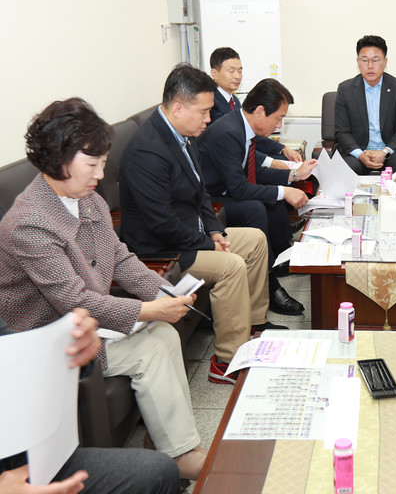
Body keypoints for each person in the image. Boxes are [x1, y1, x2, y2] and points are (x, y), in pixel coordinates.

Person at [0, 97, 208, 480]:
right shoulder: (29, 223)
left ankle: (172, 445)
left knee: (164, 334)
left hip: (87, 326)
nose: (100, 174)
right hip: (50, 342)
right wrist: (149, 311)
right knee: (151, 347)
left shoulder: (88, 200)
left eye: (103, 162)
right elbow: (73, 301)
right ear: (59, 158)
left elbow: (122, 260)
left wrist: (164, 293)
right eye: (92, 164)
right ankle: (179, 454)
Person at [119, 63, 280, 386]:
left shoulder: (184, 134)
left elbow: (201, 192)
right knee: (231, 265)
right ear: (179, 108)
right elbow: (161, 224)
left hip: (191, 234)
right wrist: (208, 243)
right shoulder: (148, 150)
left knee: (254, 239)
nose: (209, 118)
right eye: (204, 111)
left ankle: (252, 326)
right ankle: (227, 361)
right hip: (164, 247)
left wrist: (215, 230)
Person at [0, 309, 181, 493]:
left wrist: (74, 349)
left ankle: (180, 450)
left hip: (20, 460)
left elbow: (16, 363)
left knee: (159, 471)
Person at [198, 78, 318, 316]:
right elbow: (239, 188)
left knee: (271, 198)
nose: (280, 125)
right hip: (211, 199)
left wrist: (293, 176)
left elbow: (253, 171)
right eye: (279, 118)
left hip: (227, 190)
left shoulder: (242, 127)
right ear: (260, 111)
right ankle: (269, 284)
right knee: (255, 207)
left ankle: (277, 260)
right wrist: (285, 191)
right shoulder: (228, 132)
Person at [335, 34, 396, 176]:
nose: (370, 66)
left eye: (376, 60)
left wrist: (384, 152)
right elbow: (342, 132)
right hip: (359, 153)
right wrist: (360, 155)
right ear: (358, 62)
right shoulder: (345, 90)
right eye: (365, 60)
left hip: (390, 152)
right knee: (348, 166)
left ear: (385, 62)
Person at [208, 46, 301, 162]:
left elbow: (251, 136)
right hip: (227, 159)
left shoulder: (235, 100)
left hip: (242, 153)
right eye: (231, 71)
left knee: (285, 159)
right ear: (215, 73)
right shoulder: (210, 103)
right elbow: (233, 146)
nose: (237, 76)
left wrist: (282, 149)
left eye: (240, 71)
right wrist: (271, 162)